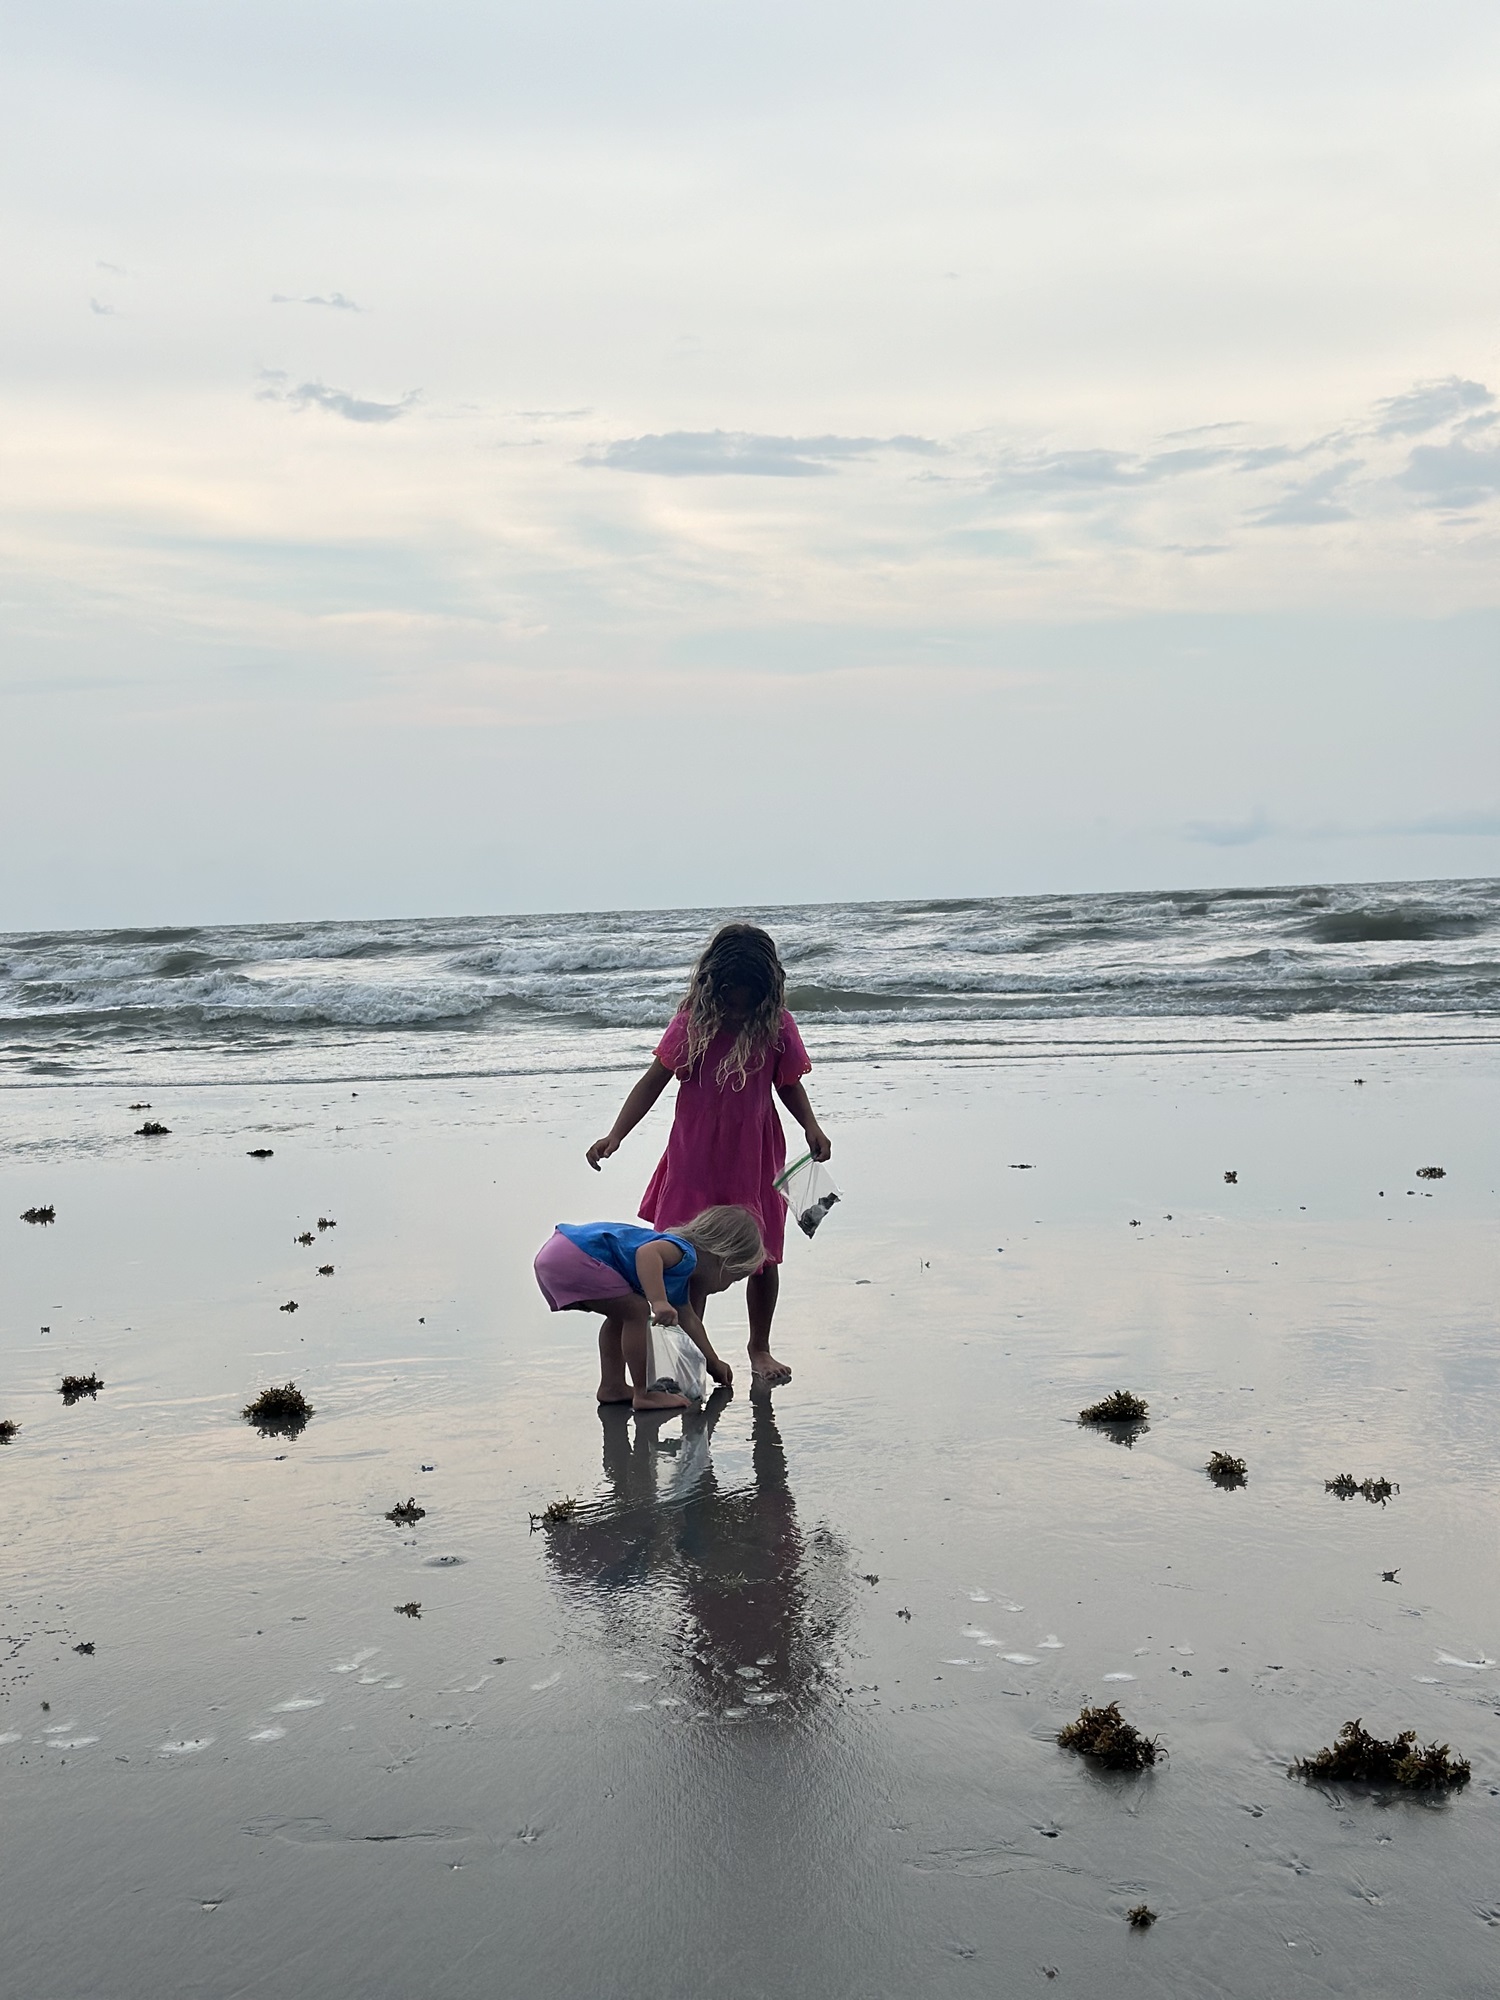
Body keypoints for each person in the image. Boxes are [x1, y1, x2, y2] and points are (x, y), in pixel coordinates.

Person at [587, 922, 831, 1388]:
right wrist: (616, 1134)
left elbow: (789, 1084)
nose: (738, 1009)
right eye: (731, 998)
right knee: (683, 1257)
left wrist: (811, 1126)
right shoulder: (694, 1021)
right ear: (713, 986)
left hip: (755, 1156)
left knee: (764, 1256)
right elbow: (652, 1081)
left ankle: (759, 1346)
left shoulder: (776, 1022)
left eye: (747, 1000)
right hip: (694, 1156)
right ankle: (683, 1355)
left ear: (767, 990)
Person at [533, 1204, 765, 1411]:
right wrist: (659, 1302)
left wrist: (713, 1363)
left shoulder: (678, 1281)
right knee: (636, 1310)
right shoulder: (684, 1252)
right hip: (575, 1253)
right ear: (722, 1259)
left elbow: (690, 1321)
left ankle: (612, 1387)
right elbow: (647, 1254)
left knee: (621, 1313)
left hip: (558, 1252)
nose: (726, 1287)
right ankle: (644, 1394)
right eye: (734, 1279)